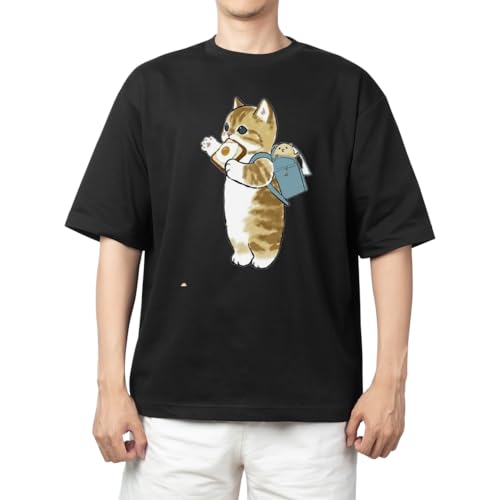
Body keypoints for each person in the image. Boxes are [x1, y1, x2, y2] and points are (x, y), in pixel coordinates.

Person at [64, 0, 434, 498]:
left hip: (313, 414)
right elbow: (119, 236)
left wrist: (391, 380)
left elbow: (390, 236)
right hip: (172, 412)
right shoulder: (152, 87)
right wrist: (110, 386)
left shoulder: (347, 88)